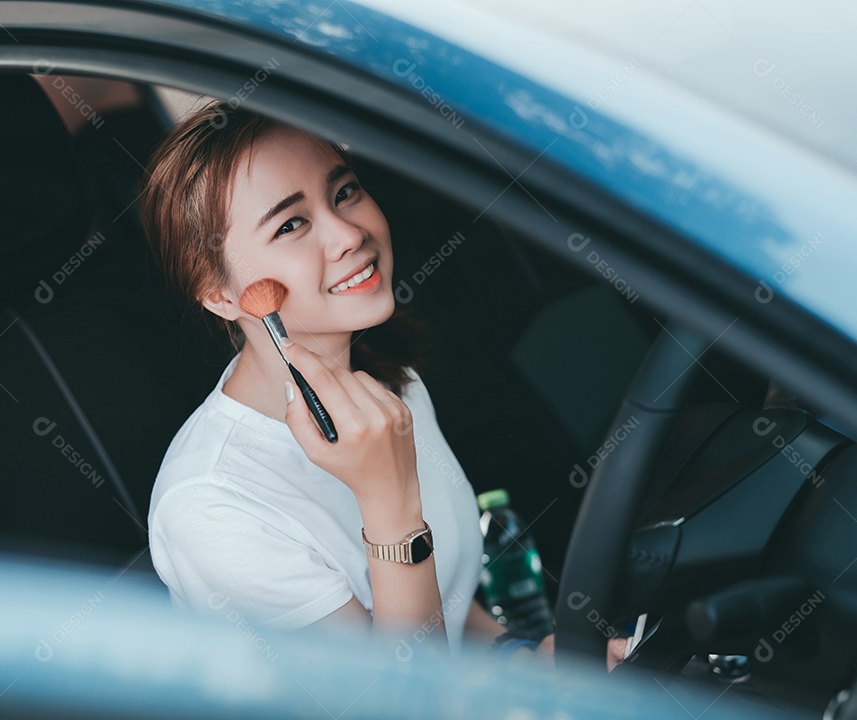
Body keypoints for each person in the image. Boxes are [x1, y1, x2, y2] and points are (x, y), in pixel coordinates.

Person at [141, 100, 623, 664]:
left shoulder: (390, 383)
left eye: (344, 191)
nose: (348, 233)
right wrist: (388, 502)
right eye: (291, 224)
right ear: (220, 293)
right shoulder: (210, 508)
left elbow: (446, 602)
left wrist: (529, 657)